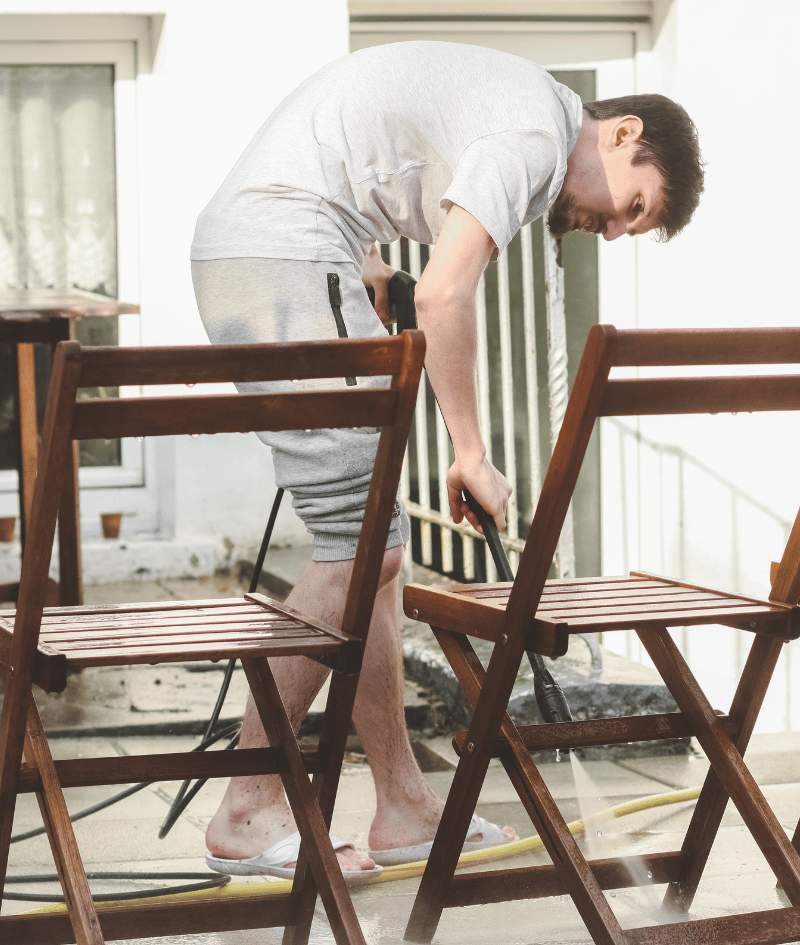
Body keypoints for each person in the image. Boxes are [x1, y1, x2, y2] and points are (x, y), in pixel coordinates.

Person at [191, 40, 704, 882]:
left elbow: (364, 161)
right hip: (282, 253)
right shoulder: (535, 132)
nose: (611, 231)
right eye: (632, 208)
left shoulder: (518, 106)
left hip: (292, 250)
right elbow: (443, 292)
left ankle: (403, 806)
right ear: (622, 134)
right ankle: (246, 809)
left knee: (375, 553)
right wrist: (469, 452)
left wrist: (363, 271)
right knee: (361, 547)